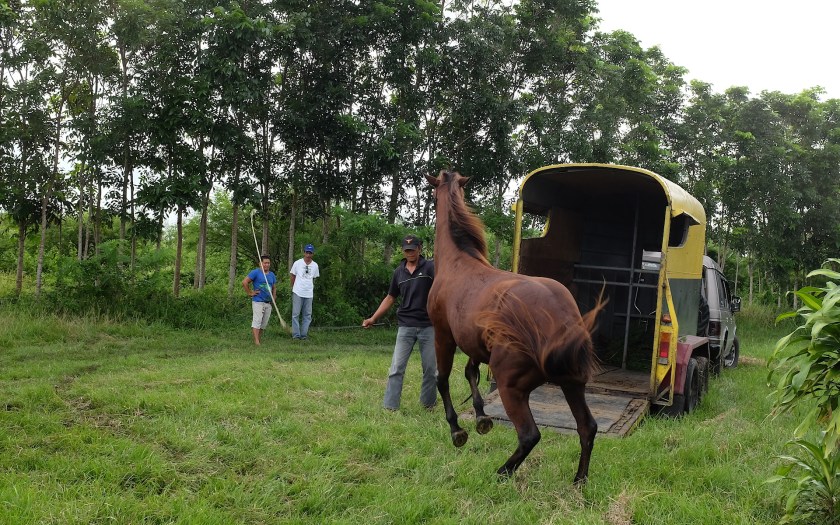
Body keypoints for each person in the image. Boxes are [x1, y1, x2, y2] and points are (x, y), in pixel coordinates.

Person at [363, 234, 437, 411]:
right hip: (406, 325)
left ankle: (428, 404)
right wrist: (373, 318)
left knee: (431, 369)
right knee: (396, 367)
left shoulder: (430, 268)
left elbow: (443, 288)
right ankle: (390, 406)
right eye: (406, 250)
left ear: (419, 249)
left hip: (428, 325)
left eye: (412, 250)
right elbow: (390, 297)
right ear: (403, 251)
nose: (410, 253)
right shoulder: (399, 272)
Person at [242, 255, 277, 346]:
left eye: (268, 263)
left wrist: (274, 298)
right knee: (257, 321)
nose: (267, 265)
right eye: (265, 263)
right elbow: (245, 282)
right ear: (260, 263)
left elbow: (274, 287)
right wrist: (250, 293)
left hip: (268, 302)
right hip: (258, 301)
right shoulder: (255, 272)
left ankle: (258, 339)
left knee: (263, 323)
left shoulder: (272, 275)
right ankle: (257, 341)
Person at [289, 243, 320, 340]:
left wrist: (310, 287)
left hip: (309, 293)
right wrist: (293, 287)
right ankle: (296, 335)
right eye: (307, 252)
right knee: (295, 314)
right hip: (298, 292)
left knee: (307, 315)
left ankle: (304, 335)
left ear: (313, 254)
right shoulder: (297, 263)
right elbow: (292, 276)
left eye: (310, 253)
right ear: (304, 253)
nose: (308, 255)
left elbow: (314, 278)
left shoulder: (315, 265)